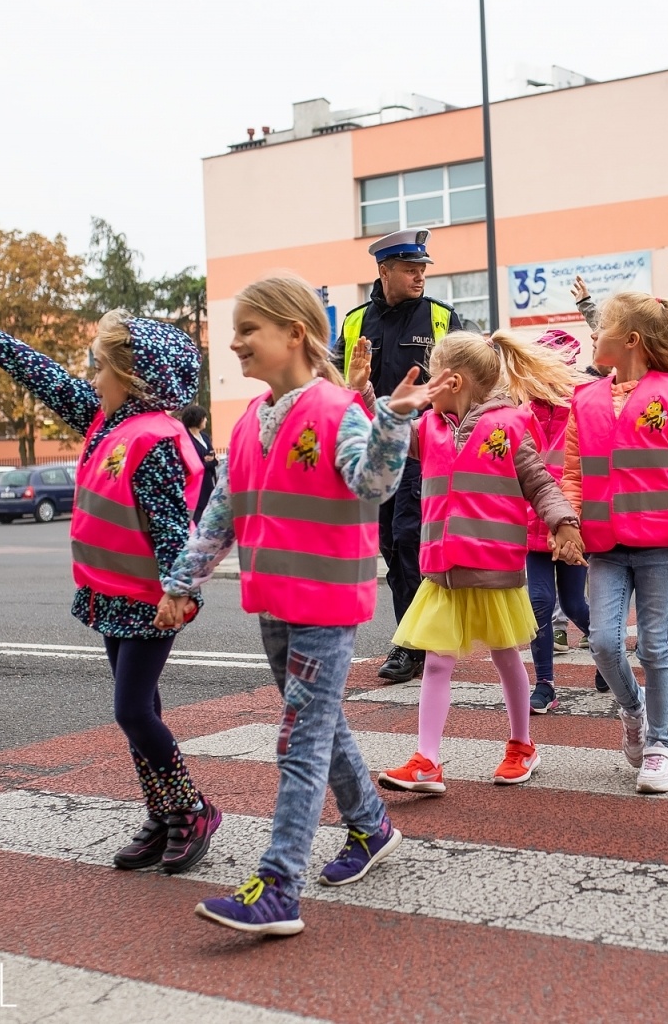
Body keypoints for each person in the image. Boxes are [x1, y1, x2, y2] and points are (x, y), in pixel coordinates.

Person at [156, 274, 438, 937]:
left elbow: (372, 482)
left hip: (326, 604)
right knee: (316, 724)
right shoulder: (251, 420)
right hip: (274, 603)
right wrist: (181, 582)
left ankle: (279, 883)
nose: (234, 344)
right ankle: (370, 825)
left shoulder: (336, 408)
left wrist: (392, 419)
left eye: (247, 331)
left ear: (294, 334)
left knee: (299, 740)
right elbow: (221, 515)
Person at [0, 294, 220, 875]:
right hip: (111, 593)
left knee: (132, 710)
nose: (91, 378)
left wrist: (177, 593)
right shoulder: (110, 419)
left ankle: (192, 808)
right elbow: (53, 383)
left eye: (101, 368)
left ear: (130, 378)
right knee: (142, 709)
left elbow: (169, 529)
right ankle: (162, 813)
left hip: (152, 601)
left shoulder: (153, 439)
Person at [379, 332, 585, 795]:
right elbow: (383, 440)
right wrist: (372, 398)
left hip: (494, 568)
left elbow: (540, 483)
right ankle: (427, 760)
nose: (429, 383)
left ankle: (521, 745)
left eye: (433, 374)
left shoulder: (511, 425)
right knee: (436, 663)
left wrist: (564, 523)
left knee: (506, 657)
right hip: (443, 571)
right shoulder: (426, 428)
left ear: (452, 380)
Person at [563, 293, 668, 794]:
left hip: (661, 546)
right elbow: (572, 475)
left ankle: (661, 746)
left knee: (654, 645)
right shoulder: (584, 400)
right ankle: (634, 712)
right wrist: (567, 525)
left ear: (629, 340)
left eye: (601, 325)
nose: (593, 333)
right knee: (603, 641)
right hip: (604, 545)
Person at [334, 228, 462, 685]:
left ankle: (411, 645)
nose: (419, 276)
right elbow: (337, 387)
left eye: (422, 269)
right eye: (410, 269)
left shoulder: (442, 318)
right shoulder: (353, 323)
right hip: (371, 452)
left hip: (421, 449)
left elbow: (473, 379)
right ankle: (418, 636)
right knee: (391, 546)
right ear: (384, 270)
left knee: (409, 543)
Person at [525, 328, 592, 714]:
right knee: (539, 602)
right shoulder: (521, 408)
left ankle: (606, 654)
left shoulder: (581, 407)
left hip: (570, 527)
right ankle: (545, 682)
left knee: (574, 603)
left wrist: (575, 522)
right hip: (531, 526)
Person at [177, 404, 216, 524]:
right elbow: (191, 464)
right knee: (197, 518)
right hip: (196, 484)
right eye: (204, 417)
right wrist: (209, 463)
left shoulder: (204, 437)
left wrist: (212, 461)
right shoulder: (185, 439)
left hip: (208, 480)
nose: (206, 420)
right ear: (197, 418)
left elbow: (212, 457)